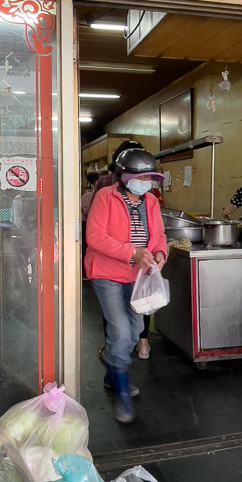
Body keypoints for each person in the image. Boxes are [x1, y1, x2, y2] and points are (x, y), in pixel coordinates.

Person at [84, 147, 166, 424]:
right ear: (123, 176)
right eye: (140, 178)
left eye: (149, 178)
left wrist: (159, 254)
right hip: (107, 274)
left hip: (138, 276)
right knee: (120, 332)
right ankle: (122, 394)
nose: (146, 183)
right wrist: (133, 253)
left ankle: (112, 375)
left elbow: (158, 236)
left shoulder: (151, 201)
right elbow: (94, 236)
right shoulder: (105, 197)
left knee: (134, 331)